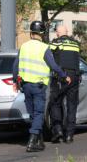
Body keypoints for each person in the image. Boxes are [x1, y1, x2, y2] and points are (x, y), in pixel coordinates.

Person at [13, 21, 71, 152]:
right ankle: (32, 141)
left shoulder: (24, 46)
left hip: (26, 85)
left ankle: (39, 141)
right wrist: (64, 75)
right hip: (38, 86)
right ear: (43, 34)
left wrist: (14, 82)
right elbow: (53, 65)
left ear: (31, 33)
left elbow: (15, 65)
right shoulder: (44, 48)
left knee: (33, 114)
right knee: (39, 113)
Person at [49, 25, 80, 144]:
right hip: (75, 76)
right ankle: (69, 135)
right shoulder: (75, 44)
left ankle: (58, 130)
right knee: (72, 106)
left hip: (61, 77)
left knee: (55, 103)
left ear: (57, 33)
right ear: (67, 32)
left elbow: (47, 56)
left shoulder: (56, 43)